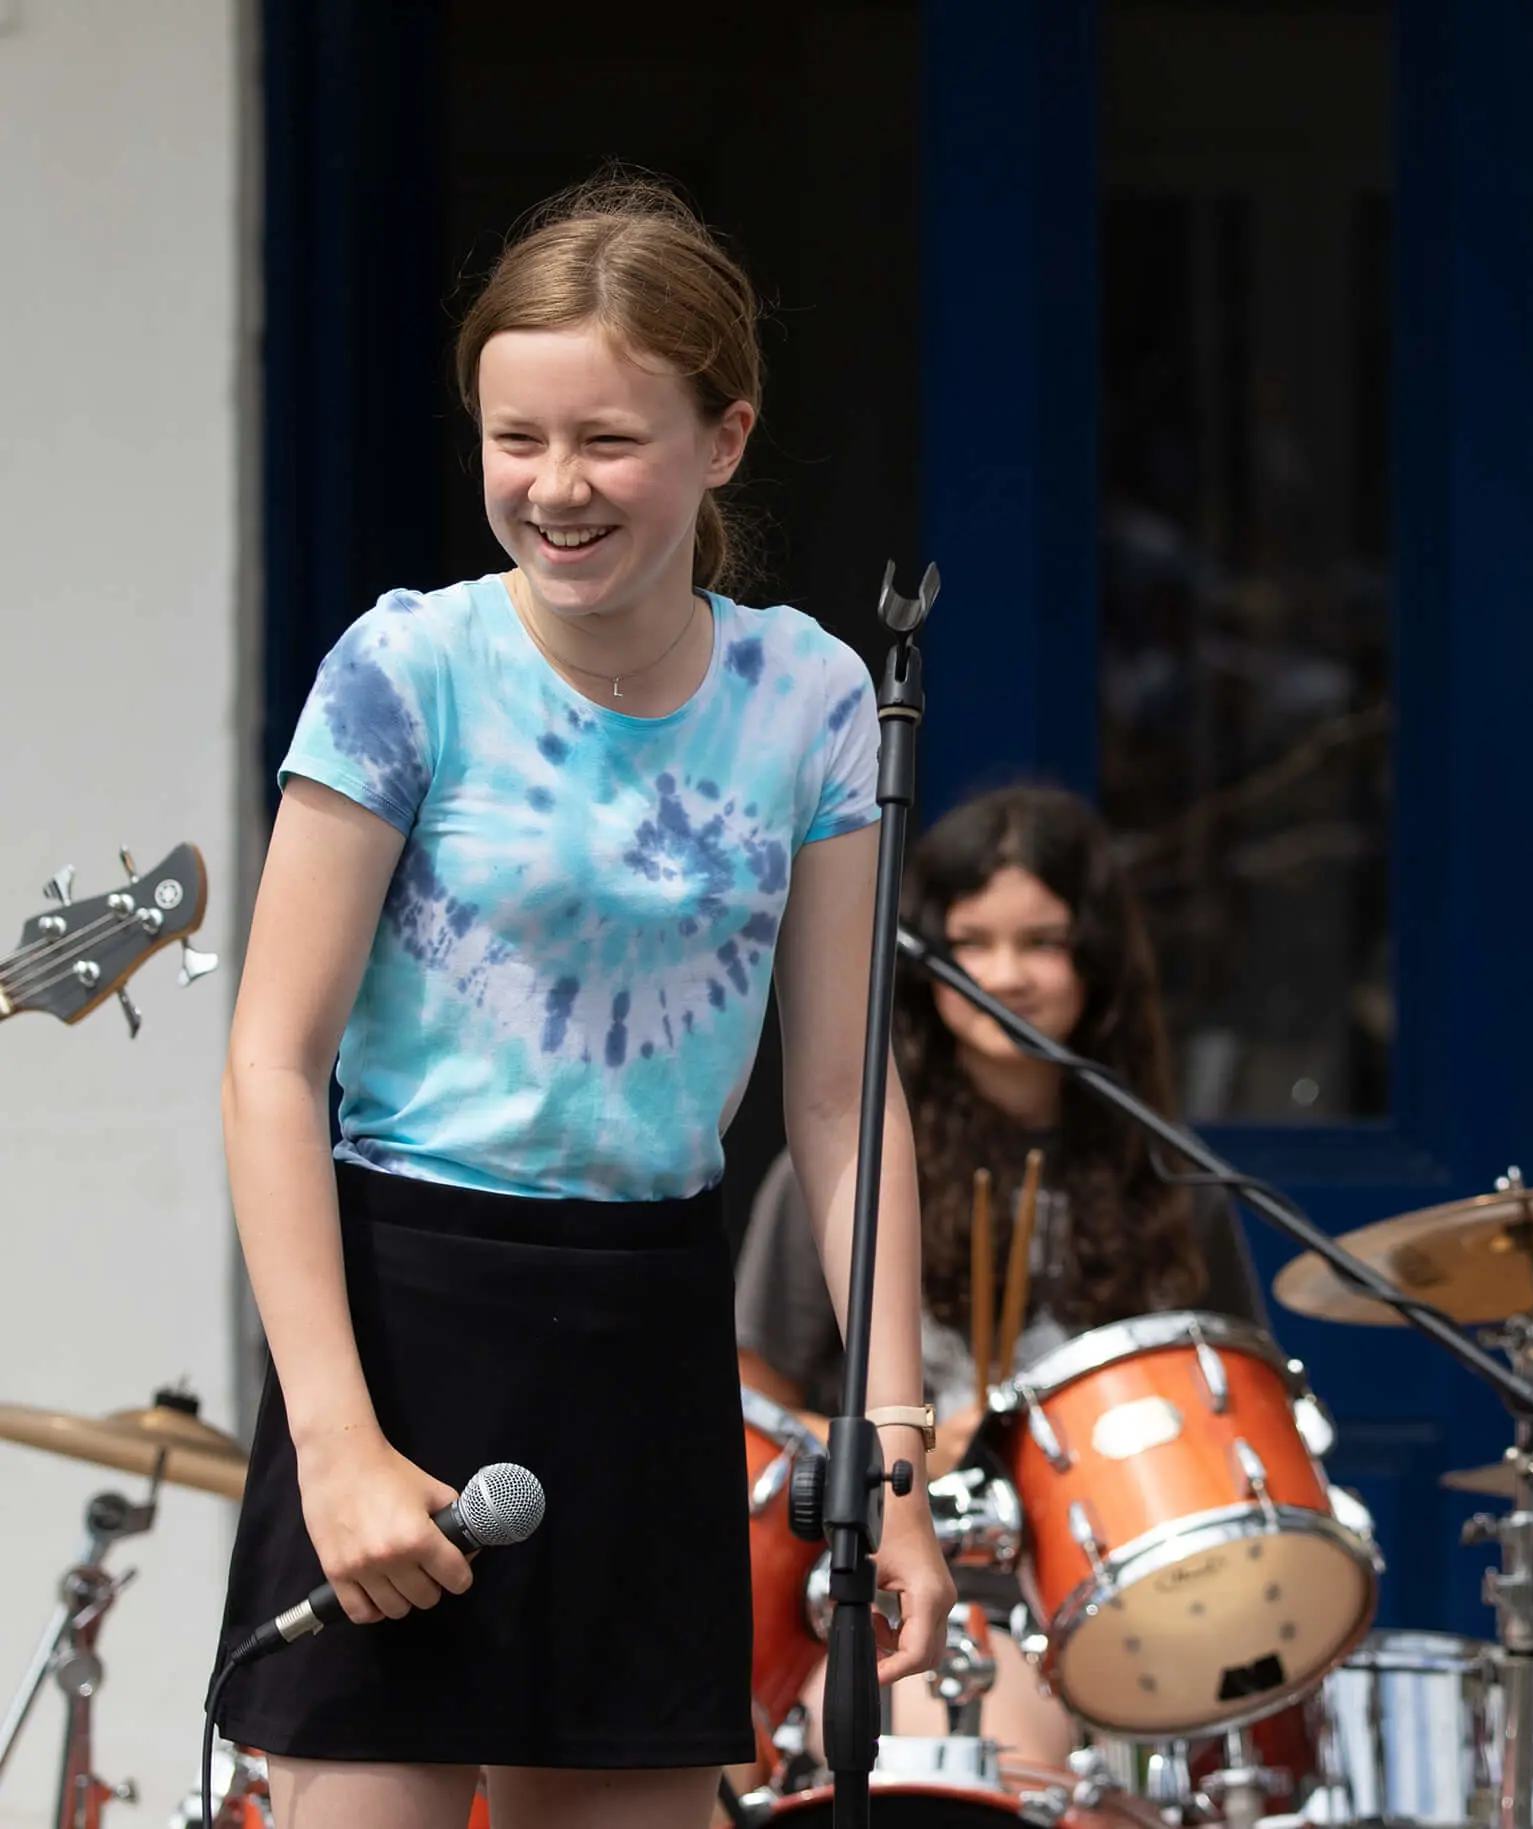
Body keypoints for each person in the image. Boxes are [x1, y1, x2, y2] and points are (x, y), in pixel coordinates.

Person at [216, 177, 954, 1829]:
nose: (556, 487)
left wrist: (889, 1450)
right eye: (516, 437)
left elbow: (838, 1100)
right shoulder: (404, 672)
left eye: (609, 440)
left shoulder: (812, 696)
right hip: (402, 1309)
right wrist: (335, 1438)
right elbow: (272, 1060)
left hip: (643, 1325)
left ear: (726, 436)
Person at [734, 783, 1268, 1760]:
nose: (1005, 975)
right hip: (885, 1585)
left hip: (1114, 1601)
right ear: (923, 961)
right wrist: (898, 1454)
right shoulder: (852, 1165)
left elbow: (1232, 1421)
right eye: (970, 944)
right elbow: (751, 1426)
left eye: (1043, 942)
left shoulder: (1169, 1178)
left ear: (1096, 959)